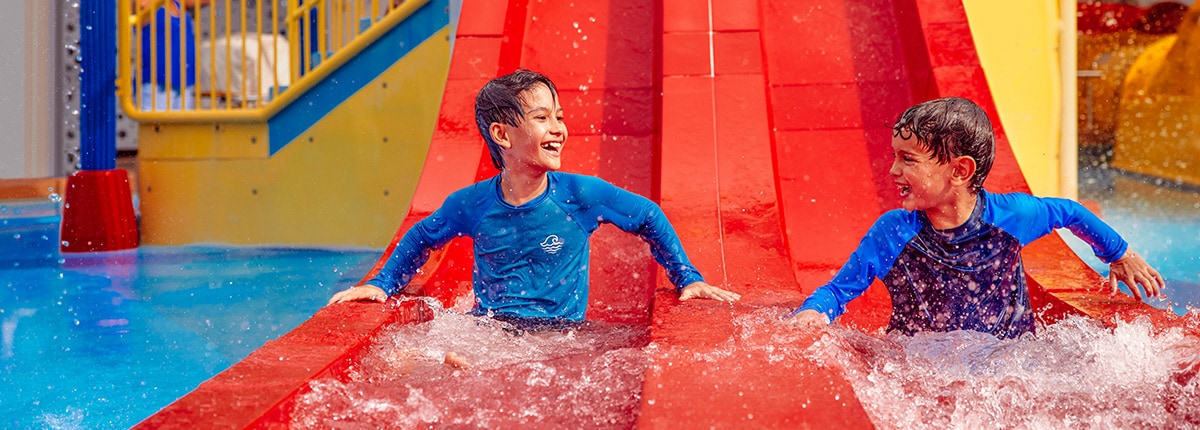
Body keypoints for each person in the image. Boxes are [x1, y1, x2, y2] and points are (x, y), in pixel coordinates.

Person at [330, 69, 740, 330]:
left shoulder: (581, 195)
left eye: (558, 116)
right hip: (488, 327)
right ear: (502, 135)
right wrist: (383, 284)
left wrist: (687, 277)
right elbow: (422, 237)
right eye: (542, 118)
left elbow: (648, 215)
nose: (559, 128)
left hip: (560, 334)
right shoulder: (470, 205)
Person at [787, 97, 1163, 339]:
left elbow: (1069, 211)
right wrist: (812, 314)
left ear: (960, 170)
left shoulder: (1009, 217)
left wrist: (1119, 253)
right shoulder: (893, 232)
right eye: (894, 157)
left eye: (908, 160)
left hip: (1009, 362)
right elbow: (838, 291)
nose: (893, 172)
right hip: (920, 364)